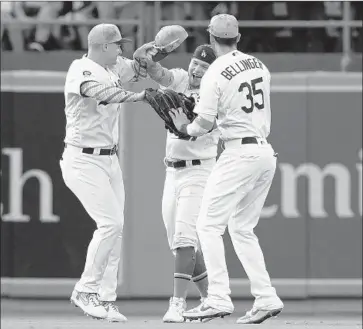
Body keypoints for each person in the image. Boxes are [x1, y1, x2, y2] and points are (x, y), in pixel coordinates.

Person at [170, 14, 284, 324]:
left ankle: (217, 298)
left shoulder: (214, 72)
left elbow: (203, 124)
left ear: (210, 38)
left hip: (238, 152)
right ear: (238, 37)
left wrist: (184, 127)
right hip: (264, 152)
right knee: (242, 228)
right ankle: (266, 296)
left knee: (207, 225)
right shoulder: (259, 65)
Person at [60, 23, 147, 322]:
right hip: (82, 160)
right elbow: (97, 92)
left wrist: (155, 53)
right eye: (118, 45)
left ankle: (106, 298)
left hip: (109, 160)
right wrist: (139, 97)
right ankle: (86, 290)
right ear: (103, 46)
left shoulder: (113, 66)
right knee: (109, 224)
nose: (121, 49)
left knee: (116, 228)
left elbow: (137, 66)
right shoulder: (81, 68)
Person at [135, 44, 219, 322]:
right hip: (172, 171)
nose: (197, 70)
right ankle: (210, 299)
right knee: (179, 243)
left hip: (199, 172)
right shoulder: (182, 78)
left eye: (204, 68)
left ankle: (177, 304)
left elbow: (193, 131)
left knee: (185, 237)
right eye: (196, 63)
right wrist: (152, 54)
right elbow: (158, 73)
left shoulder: (217, 94)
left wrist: (184, 125)